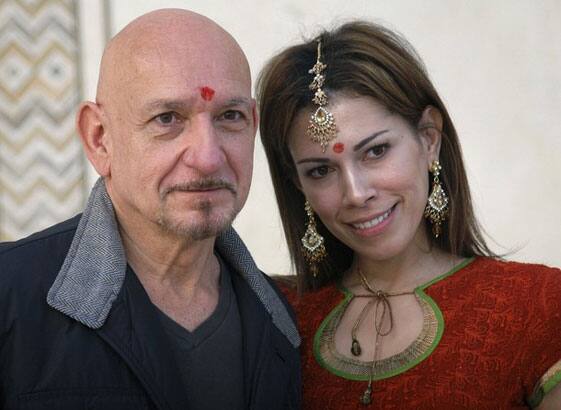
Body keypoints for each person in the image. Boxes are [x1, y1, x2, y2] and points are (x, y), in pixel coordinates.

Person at [0, 9, 301, 409]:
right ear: (100, 139)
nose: (208, 157)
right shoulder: (10, 299)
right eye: (167, 119)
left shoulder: (287, 320)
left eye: (230, 117)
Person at [257, 20, 561, 409]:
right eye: (321, 171)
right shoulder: (276, 322)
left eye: (376, 151)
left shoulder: (536, 306)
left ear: (429, 138)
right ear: (298, 183)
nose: (356, 193)